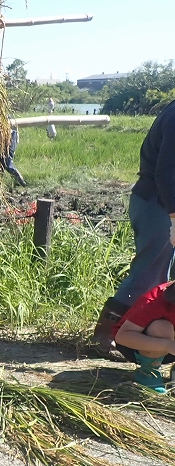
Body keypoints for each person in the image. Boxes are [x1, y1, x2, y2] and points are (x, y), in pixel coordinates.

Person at [93, 98, 175, 354]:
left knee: (162, 276)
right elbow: (166, 171)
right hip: (159, 203)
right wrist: (174, 217)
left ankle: (149, 341)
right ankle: (109, 335)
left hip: (162, 203)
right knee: (151, 271)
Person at [112, 280, 175, 393]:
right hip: (137, 346)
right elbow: (122, 337)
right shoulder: (155, 301)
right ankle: (149, 371)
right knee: (162, 327)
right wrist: (167, 345)